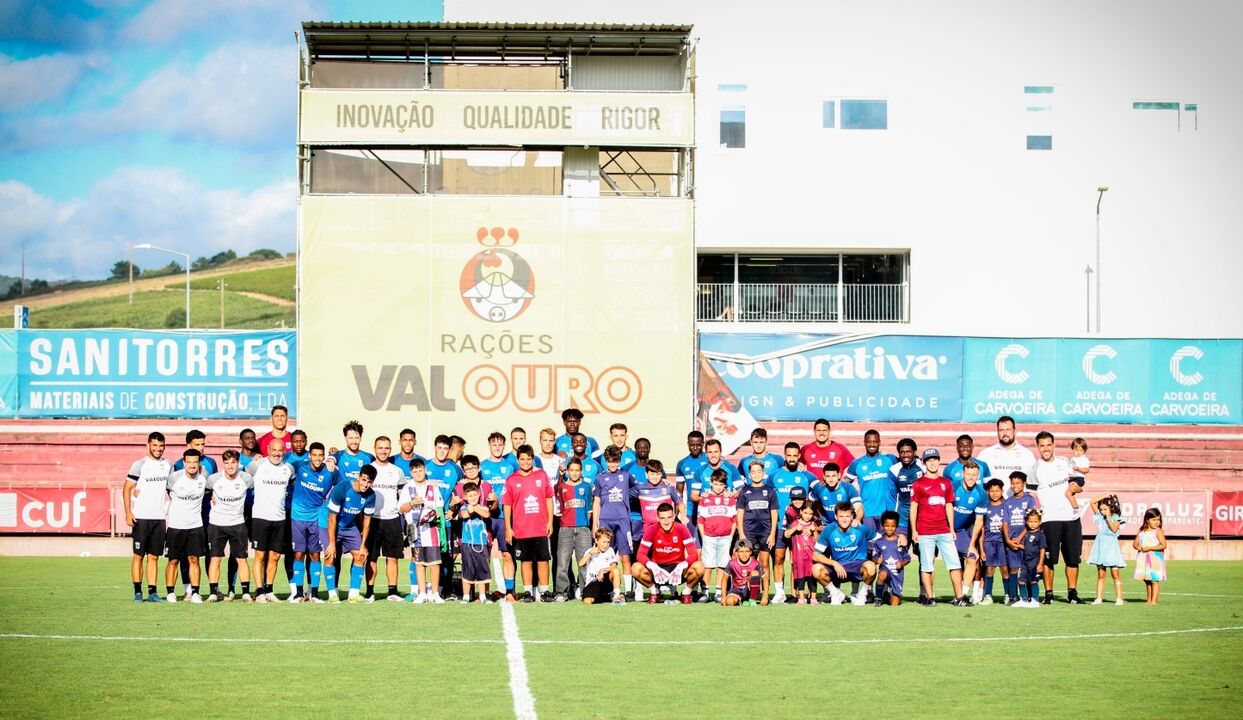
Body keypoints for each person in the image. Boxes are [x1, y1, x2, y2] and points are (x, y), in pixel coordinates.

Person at [909, 448, 968, 607]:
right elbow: (914, 508)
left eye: (935, 459)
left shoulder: (946, 483)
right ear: (924, 463)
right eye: (929, 460)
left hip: (944, 530)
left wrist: (951, 528)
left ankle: (960, 597)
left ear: (939, 461)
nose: (932, 462)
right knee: (927, 566)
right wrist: (914, 530)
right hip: (925, 531)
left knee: (955, 564)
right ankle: (929, 597)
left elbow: (949, 506)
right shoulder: (918, 484)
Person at [1032, 430, 1083, 605]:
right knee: (1048, 558)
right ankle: (1048, 594)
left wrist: (1077, 485)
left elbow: (1079, 479)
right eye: (1042, 445)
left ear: (1053, 445)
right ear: (1038, 447)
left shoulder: (1065, 462)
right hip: (1049, 519)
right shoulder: (1035, 467)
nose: (1046, 449)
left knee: (1072, 558)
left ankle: (1072, 593)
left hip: (1071, 517)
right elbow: (1032, 495)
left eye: (1048, 445)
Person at [125, 431, 172, 603]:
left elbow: (171, 489)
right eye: (155, 446)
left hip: (159, 518)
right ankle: (138, 591)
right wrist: (128, 512)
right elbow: (127, 488)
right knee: (138, 555)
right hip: (141, 517)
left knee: (154, 557)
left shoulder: (168, 465)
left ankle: (152, 592)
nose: (158, 449)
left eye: (161, 446)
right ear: (148, 445)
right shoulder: (139, 465)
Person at [503, 445, 554, 602]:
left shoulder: (541, 476)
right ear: (518, 460)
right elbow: (507, 505)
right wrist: (508, 528)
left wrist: (550, 521)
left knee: (543, 560)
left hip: (540, 527)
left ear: (533, 459)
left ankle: (544, 591)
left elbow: (548, 498)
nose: (525, 462)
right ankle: (527, 592)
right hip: (522, 529)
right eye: (522, 459)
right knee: (525, 561)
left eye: (529, 458)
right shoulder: (511, 480)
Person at [172, 430, 219, 595]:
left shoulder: (211, 463)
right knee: (187, 554)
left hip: (207, 515)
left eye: (203, 444)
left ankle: (214, 588)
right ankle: (188, 589)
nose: (201, 448)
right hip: (187, 519)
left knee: (210, 552)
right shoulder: (178, 465)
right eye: (197, 444)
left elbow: (215, 485)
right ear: (188, 446)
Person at [205, 449, 254, 603]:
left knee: (242, 559)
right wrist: (211, 499)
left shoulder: (246, 479)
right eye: (226, 463)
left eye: (233, 462)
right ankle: (213, 592)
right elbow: (206, 493)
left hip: (238, 524)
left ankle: (245, 592)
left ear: (238, 463)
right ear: (223, 464)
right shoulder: (213, 479)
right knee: (215, 559)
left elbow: (252, 494)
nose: (230, 466)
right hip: (217, 524)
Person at [288, 441, 334, 603]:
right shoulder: (299, 466)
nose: (317, 458)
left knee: (315, 555)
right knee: (299, 554)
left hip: (316, 519)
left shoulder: (330, 473)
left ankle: (314, 593)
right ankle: (299, 593)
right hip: (298, 518)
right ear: (309, 455)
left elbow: (344, 485)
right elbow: (279, 461)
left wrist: (333, 458)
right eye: (314, 455)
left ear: (324, 456)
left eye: (320, 455)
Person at [632, 503, 705, 604]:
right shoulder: (651, 530)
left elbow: (693, 553)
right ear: (657, 518)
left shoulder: (682, 529)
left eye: (669, 517)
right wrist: (653, 566)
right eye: (662, 518)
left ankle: (686, 593)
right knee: (635, 568)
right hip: (658, 570)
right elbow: (640, 554)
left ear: (674, 516)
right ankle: (655, 592)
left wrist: (681, 566)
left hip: (678, 570)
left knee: (700, 566)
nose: (666, 522)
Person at [249, 437, 294, 602]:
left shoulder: (288, 469)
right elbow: (239, 477)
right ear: (268, 449)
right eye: (273, 450)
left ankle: (269, 590)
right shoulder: (256, 465)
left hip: (279, 518)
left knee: (274, 556)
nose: (276, 453)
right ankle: (259, 591)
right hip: (260, 517)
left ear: (284, 451)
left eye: (280, 450)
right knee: (260, 556)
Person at [324, 464, 376, 603]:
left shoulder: (371, 495)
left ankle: (353, 594)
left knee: (361, 556)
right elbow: (332, 518)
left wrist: (363, 545)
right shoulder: (342, 488)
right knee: (330, 555)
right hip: (330, 524)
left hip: (350, 526)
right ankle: (332, 594)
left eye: (369, 481)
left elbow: (367, 521)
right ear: (359, 477)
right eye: (364, 480)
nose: (366, 484)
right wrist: (332, 543)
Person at [771, 442, 814, 604]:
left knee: (797, 560)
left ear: (799, 457)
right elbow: (767, 495)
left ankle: (796, 594)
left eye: (795, 455)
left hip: (802, 526)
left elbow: (818, 493)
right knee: (779, 558)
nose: (791, 458)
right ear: (784, 455)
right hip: (781, 526)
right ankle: (780, 592)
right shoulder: (774, 475)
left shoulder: (807, 476)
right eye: (788, 455)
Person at [365, 436, 407, 602]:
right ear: (375, 449)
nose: (383, 451)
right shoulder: (368, 469)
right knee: (371, 557)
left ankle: (392, 591)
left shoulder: (397, 471)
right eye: (380, 448)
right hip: (373, 519)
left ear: (390, 450)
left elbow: (402, 496)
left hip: (392, 519)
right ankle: (369, 591)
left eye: (386, 448)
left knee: (392, 557)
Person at [163, 449, 209, 603]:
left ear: (199, 463)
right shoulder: (174, 478)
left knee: (194, 559)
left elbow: (212, 492)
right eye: (189, 462)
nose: (192, 465)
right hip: (176, 526)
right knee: (173, 560)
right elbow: (166, 493)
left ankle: (195, 592)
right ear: (184, 463)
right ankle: (170, 592)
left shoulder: (204, 478)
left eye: (195, 462)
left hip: (196, 525)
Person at [592, 446, 638, 598]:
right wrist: (595, 524)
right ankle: (608, 589)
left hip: (623, 521)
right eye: (610, 461)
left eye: (615, 461)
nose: (612, 464)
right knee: (606, 556)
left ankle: (629, 590)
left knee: (625, 556)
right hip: (605, 520)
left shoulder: (625, 476)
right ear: (606, 461)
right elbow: (597, 501)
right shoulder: (600, 477)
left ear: (620, 460)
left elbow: (636, 489)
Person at [811, 502, 876, 605]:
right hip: (839, 568)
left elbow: (881, 538)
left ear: (852, 517)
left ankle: (863, 594)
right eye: (841, 516)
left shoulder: (860, 529)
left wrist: (900, 536)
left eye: (847, 516)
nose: (844, 519)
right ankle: (835, 593)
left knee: (871, 567)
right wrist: (834, 563)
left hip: (857, 567)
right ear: (836, 517)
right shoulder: (829, 529)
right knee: (816, 569)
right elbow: (815, 555)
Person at [400, 458, 445, 604]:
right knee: (419, 563)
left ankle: (435, 593)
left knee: (434, 563)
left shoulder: (433, 487)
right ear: (411, 473)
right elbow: (401, 508)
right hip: (415, 530)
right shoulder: (408, 488)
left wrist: (437, 514)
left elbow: (439, 507)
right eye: (415, 471)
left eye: (420, 470)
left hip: (431, 530)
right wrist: (413, 503)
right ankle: (422, 593)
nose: (418, 473)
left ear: (425, 470)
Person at [425, 435, 463, 599]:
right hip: (426, 521)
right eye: (439, 448)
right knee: (422, 554)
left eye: (445, 448)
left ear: (450, 450)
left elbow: (461, 493)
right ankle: (421, 589)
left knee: (446, 556)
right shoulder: (426, 466)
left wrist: (454, 511)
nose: (442, 451)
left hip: (446, 521)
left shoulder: (455, 470)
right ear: (435, 447)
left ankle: (444, 590)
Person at [696, 469, 740, 604]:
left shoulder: (730, 499)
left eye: (721, 485)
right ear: (711, 483)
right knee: (708, 566)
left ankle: (719, 592)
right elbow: (700, 520)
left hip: (726, 537)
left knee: (722, 565)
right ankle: (705, 592)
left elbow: (734, 519)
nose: (718, 487)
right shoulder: (704, 499)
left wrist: (731, 536)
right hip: (709, 537)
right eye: (716, 484)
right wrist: (704, 537)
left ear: (725, 485)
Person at [844, 429, 898, 533]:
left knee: (886, 545)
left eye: (875, 441)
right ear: (864, 442)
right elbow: (845, 485)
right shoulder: (856, 463)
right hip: (867, 512)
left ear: (879, 442)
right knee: (869, 545)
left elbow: (907, 465)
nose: (872, 444)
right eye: (869, 442)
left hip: (887, 512)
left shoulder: (890, 459)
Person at [555, 459, 593, 600]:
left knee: (584, 562)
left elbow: (589, 509)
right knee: (563, 562)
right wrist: (560, 476)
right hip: (566, 529)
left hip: (583, 529)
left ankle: (585, 591)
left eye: (578, 470)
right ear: (568, 471)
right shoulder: (562, 486)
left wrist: (585, 525)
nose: (575, 473)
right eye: (572, 470)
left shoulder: (586, 486)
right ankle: (562, 592)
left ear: (581, 471)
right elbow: (559, 505)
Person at [737, 459, 778, 589]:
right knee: (750, 563)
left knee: (764, 562)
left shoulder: (770, 491)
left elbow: (774, 514)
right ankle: (749, 591)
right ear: (749, 474)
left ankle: (765, 591)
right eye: (753, 472)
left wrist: (772, 534)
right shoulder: (744, 491)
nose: (756, 474)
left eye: (759, 471)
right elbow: (740, 513)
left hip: (765, 532)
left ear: (763, 473)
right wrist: (742, 534)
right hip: (749, 532)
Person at [952, 460, 988, 604]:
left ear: (978, 475)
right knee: (930, 561)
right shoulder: (953, 487)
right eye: (968, 474)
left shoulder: (981, 493)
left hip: (961, 531)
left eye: (974, 474)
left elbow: (979, 521)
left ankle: (962, 595)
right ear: (963, 474)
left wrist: (972, 544)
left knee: (972, 557)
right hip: (942, 528)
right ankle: (927, 595)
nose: (971, 477)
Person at [1002, 471, 1039, 605]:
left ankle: (1031, 596)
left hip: (1026, 541)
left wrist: (1020, 538)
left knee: (1028, 568)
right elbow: (1005, 522)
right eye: (1012, 483)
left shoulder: (1029, 499)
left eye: (1018, 483)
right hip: (1011, 541)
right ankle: (1013, 596)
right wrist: (1008, 540)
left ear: (1024, 484)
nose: (1015, 486)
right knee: (1013, 569)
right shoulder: (1008, 502)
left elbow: (1032, 521)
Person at [977, 416, 1036, 498]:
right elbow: (977, 482)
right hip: (993, 507)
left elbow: (1033, 488)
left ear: (1014, 431)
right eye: (1001, 430)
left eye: (1008, 430)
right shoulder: (985, 454)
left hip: (1019, 508)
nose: (1005, 433)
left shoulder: (1027, 455)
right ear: (997, 432)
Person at [457, 482, 493, 604]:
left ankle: (482, 595)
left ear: (479, 495)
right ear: (465, 497)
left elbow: (486, 514)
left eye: (474, 495)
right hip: (467, 544)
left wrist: (476, 508)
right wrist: (471, 510)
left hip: (481, 543)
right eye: (469, 495)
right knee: (468, 569)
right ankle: (466, 595)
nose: (472, 497)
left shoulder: (483, 507)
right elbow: (464, 515)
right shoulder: (463, 507)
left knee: (482, 569)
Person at [1088, 494, 1125, 605]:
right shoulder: (1099, 517)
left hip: (1112, 550)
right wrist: (1106, 494)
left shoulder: (1116, 518)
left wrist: (1108, 517)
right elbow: (1092, 501)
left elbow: (1114, 529)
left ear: (1111, 508)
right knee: (1101, 574)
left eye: (1105, 509)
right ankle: (1099, 598)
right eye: (1101, 509)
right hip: (1101, 548)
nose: (1103, 511)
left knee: (1115, 574)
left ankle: (1119, 598)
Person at [869, 511, 911, 606]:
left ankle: (887, 596)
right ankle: (878, 599)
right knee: (882, 574)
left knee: (894, 604)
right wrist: (877, 560)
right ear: (883, 526)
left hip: (897, 574)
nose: (889, 528)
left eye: (892, 526)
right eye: (887, 525)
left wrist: (901, 563)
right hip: (886, 569)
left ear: (896, 527)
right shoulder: (879, 542)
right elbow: (874, 557)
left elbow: (907, 558)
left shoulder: (900, 542)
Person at [980, 477, 1008, 605]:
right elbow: (981, 528)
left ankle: (1008, 594)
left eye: (997, 491)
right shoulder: (985, 507)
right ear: (988, 492)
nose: (994, 493)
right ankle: (988, 595)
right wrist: (981, 548)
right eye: (992, 491)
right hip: (989, 542)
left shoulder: (1007, 505)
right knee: (989, 569)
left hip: (1003, 543)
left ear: (1002, 491)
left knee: (1005, 569)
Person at [784, 503, 819, 604]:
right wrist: (796, 528)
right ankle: (801, 597)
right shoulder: (796, 523)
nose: (807, 516)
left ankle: (813, 597)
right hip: (798, 555)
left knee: (812, 575)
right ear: (801, 512)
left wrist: (814, 531)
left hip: (811, 555)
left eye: (810, 513)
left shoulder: (813, 524)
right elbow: (786, 534)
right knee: (800, 576)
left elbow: (817, 539)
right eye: (805, 513)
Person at [676, 430, 710, 529]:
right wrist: (677, 513)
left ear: (703, 444)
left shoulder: (710, 460)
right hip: (691, 510)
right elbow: (679, 492)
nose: (695, 448)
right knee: (693, 543)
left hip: (710, 508)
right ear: (688, 444)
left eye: (698, 445)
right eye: (692, 445)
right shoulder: (682, 464)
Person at [579, 528, 622, 605]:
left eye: (608, 542)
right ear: (596, 540)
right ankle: (604, 597)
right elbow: (581, 564)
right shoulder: (590, 551)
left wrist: (602, 570)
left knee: (615, 571)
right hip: (593, 582)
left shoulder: (610, 550)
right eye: (603, 542)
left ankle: (616, 596)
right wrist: (591, 553)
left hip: (605, 580)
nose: (605, 545)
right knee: (587, 601)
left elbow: (614, 566)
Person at [1133, 508, 1167, 605]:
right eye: (1154, 520)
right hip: (1144, 558)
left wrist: (1150, 548)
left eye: (1158, 520)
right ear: (1147, 520)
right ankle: (1149, 599)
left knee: (1154, 580)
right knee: (1147, 579)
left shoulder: (1158, 531)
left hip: (1155, 559)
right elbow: (1135, 544)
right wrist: (1138, 547)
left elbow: (1163, 545)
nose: (1157, 522)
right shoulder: (1142, 531)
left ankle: (1154, 601)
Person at [722, 539, 768, 606]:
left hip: (751, 590)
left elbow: (765, 579)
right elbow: (724, 579)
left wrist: (765, 596)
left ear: (750, 552)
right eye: (741, 551)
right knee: (729, 602)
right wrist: (723, 597)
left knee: (755, 573)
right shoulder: (732, 563)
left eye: (747, 551)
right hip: (736, 590)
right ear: (736, 552)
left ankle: (752, 599)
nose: (744, 554)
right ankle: (742, 600)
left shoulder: (755, 563)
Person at [1016, 510, 1046, 609]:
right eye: (1031, 522)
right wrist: (1020, 546)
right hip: (1025, 561)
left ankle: (1035, 600)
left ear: (1039, 522)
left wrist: (1040, 564)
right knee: (1021, 580)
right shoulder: (1027, 533)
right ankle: (1023, 600)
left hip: (1035, 561)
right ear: (1027, 522)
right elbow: (1028, 547)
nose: (1033, 524)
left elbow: (1042, 549)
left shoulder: (1040, 535)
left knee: (1033, 581)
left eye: (1035, 522)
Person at [1067, 438, 1090, 509]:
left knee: (1068, 493)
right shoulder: (1073, 459)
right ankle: (1072, 507)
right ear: (1073, 449)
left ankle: (1076, 509)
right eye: (1076, 450)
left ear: (1084, 451)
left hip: (1079, 478)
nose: (1078, 452)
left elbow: (1086, 470)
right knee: (1068, 493)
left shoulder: (1084, 459)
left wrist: (1079, 469)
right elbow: (1070, 470)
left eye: (1081, 450)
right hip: (1072, 478)